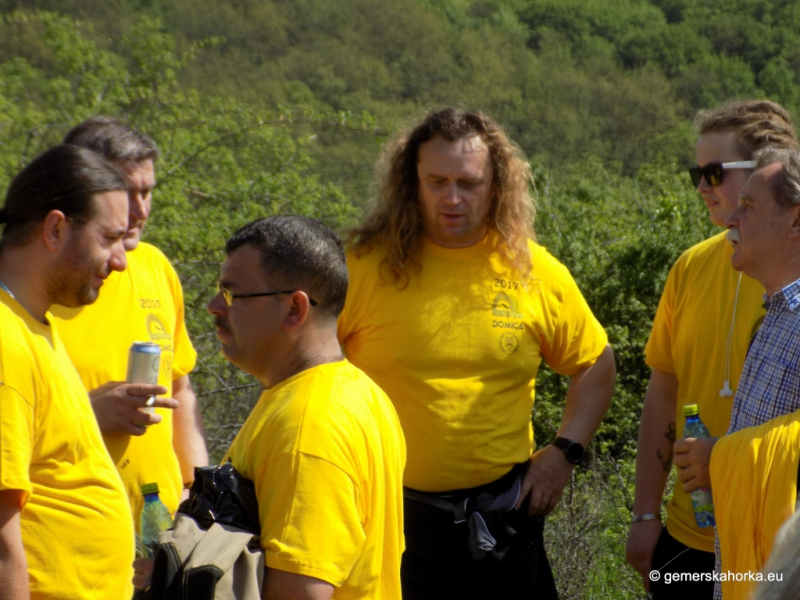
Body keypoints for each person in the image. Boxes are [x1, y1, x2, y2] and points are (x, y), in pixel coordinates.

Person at [337, 107, 616, 598]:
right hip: (384, 518)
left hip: (501, 524)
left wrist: (563, 454)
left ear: (496, 186)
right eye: (437, 181)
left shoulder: (532, 269)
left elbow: (595, 362)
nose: (451, 198)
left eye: (468, 183)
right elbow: (304, 367)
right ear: (411, 182)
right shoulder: (362, 266)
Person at [626, 100, 798, 599]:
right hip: (689, 536)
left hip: (773, 545)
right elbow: (664, 390)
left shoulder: (786, 281)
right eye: (695, 172)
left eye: (713, 172)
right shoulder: (690, 267)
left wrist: (723, 458)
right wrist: (644, 513)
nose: (701, 186)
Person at [205, 216, 406, 599]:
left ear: (295, 309)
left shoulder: (307, 427)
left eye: (232, 294)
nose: (215, 306)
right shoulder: (358, 392)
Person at [51, 117, 208, 526]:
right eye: (126, 192)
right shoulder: (35, 286)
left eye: (147, 192)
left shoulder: (156, 267)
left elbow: (179, 386)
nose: (139, 210)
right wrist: (89, 414)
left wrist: (195, 488)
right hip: (66, 532)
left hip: (160, 533)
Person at [0, 144, 135, 598]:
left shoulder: (34, 326)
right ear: (55, 228)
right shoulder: (5, 339)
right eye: (110, 238)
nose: (121, 260)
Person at [675, 147, 800, 598]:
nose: (731, 220)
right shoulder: (775, 315)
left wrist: (722, 459)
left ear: (796, 222)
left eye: (748, 207)